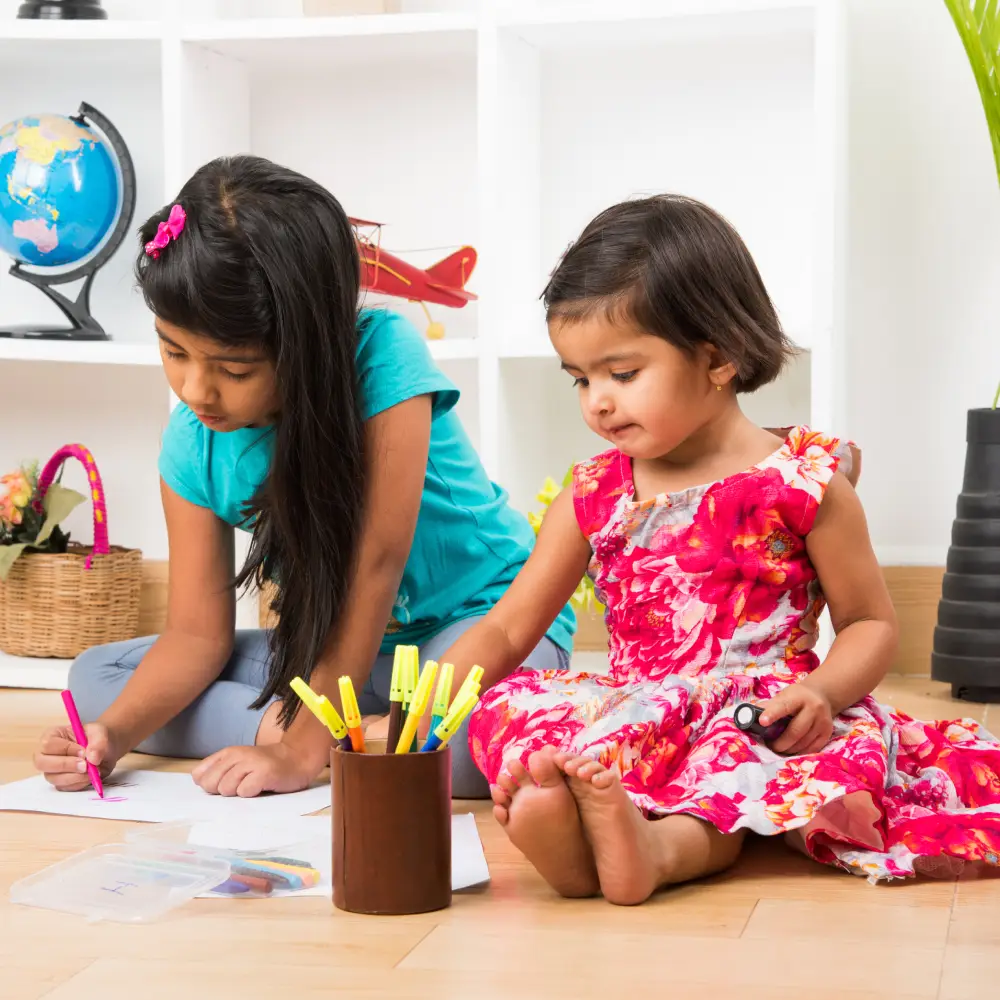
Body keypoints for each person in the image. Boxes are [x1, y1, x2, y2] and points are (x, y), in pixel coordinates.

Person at [442, 194, 1000, 904]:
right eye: (581, 379)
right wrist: (428, 701)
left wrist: (823, 693)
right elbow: (507, 626)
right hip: (639, 709)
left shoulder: (802, 482)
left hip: (763, 712)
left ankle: (657, 850)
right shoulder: (593, 493)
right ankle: (569, 826)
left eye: (622, 373)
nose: (597, 403)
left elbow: (870, 623)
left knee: (730, 769)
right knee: (519, 709)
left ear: (717, 358)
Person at [31, 154, 574, 799]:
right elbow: (195, 636)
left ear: (306, 344)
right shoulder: (191, 443)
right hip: (337, 662)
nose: (196, 390)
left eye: (233, 370)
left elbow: (375, 564)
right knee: (99, 677)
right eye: (173, 351)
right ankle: (362, 738)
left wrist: (298, 750)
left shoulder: (382, 355)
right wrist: (112, 737)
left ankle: (330, 736)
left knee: (466, 750)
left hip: (474, 631)